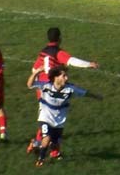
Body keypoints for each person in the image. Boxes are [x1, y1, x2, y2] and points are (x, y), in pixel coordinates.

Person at [26, 27, 99, 156]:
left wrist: (39, 82)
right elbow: (71, 61)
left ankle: (43, 145)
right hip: (53, 88)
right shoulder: (57, 52)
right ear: (60, 38)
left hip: (43, 88)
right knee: (54, 118)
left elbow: (34, 68)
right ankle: (45, 147)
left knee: (48, 117)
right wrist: (89, 64)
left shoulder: (43, 52)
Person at [27, 65, 102, 167]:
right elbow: (30, 84)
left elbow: (84, 93)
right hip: (45, 117)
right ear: (56, 77)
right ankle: (41, 160)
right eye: (64, 76)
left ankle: (35, 143)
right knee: (47, 138)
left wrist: (97, 96)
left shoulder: (70, 89)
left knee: (54, 144)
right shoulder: (46, 86)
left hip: (59, 121)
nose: (66, 78)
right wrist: (37, 72)